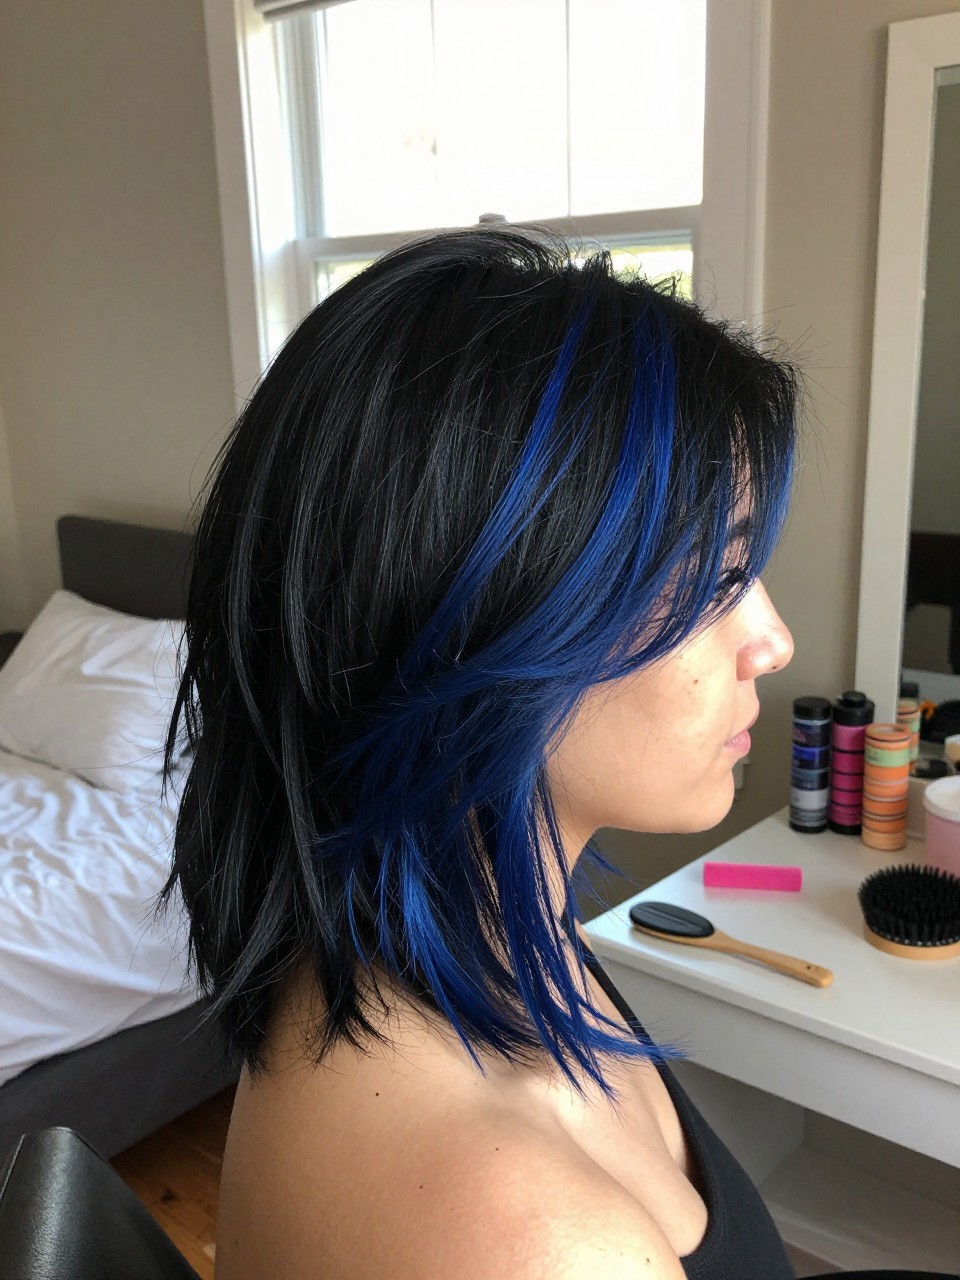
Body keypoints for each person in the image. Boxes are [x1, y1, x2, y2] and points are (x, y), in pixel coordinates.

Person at [160, 225, 802, 1278]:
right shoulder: (533, 1243)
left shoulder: (464, 941)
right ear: (494, 627)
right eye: (719, 580)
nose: (771, 639)